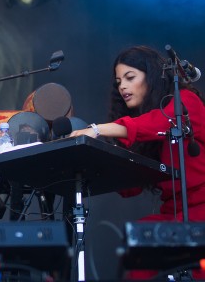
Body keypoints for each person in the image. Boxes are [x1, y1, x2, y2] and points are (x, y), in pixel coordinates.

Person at [70, 45, 205, 279]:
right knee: (138, 245)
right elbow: (129, 188)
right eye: (118, 81)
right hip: (174, 214)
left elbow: (159, 121)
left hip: (201, 212)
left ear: (152, 76)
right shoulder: (142, 125)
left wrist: (97, 130)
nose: (122, 86)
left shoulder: (186, 101)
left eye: (130, 77)